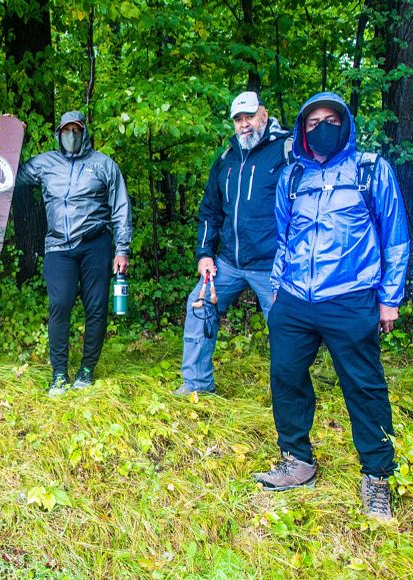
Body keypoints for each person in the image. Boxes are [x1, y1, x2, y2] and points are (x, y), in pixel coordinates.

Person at [255, 92, 410, 521]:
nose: (322, 127)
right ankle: (297, 461)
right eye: (312, 122)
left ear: (345, 123)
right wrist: (276, 290)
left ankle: (377, 474)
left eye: (331, 119)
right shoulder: (291, 178)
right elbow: (284, 238)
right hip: (294, 300)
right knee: (285, 377)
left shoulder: (369, 170)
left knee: (364, 386)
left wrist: (390, 300)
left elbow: (395, 236)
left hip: (351, 296)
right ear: (302, 130)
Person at [174, 91, 292, 396]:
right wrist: (204, 254)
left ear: (264, 115)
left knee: (286, 328)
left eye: (249, 117)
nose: (244, 125)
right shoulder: (226, 159)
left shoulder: (286, 151)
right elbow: (209, 211)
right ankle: (196, 384)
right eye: (238, 119)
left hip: (272, 265)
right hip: (228, 262)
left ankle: (289, 395)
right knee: (198, 305)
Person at [16, 111, 132, 396]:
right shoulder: (46, 163)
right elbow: (12, 174)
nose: (71, 135)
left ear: (84, 132)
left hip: (95, 244)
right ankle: (59, 373)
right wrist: (14, 134)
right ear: (58, 133)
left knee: (95, 308)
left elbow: (120, 208)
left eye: (76, 130)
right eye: (66, 130)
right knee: (60, 305)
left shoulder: (103, 165)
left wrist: (122, 249)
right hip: (58, 246)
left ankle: (87, 369)